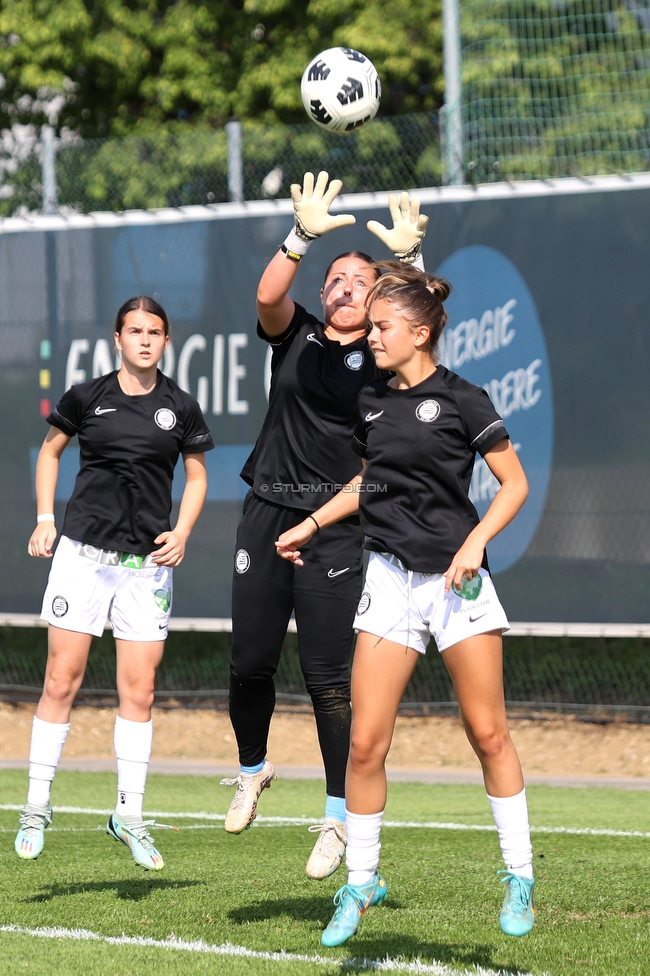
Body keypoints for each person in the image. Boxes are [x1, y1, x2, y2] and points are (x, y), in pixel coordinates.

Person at [276, 262, 535, 944]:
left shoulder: (463, 398)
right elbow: (368, 482)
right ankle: (360, 883)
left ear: (420, 333)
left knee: (488, 734)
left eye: (383, 326)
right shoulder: (374, 402)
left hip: (455, 582)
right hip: (388, 579)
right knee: (365, 742)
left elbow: (513, 484)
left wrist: (476, 543)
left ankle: (520, 877)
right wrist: (311, 522)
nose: (373, 336)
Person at [223, 173, 429, 882]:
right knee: (248, 661)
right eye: (335, 277)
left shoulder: (385, 360)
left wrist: (412, 265)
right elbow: (266, 296)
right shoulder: (298, 337)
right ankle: (252, 769)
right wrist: (303, 236)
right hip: (267, 510)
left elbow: (425, 330)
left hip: (337, 525)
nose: (343, 284)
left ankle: (339, 815)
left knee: (326, 679)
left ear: (378, 300)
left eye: (360, 279)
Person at [15, 296, 214, 870]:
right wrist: (46, 518)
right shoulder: (87, 397)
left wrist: (183, 530)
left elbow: (197, 477)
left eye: (155, 331)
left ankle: (129, 815)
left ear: (166, 341)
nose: (145, 340)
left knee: (141, 691)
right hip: (81, 556)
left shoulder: (181, 406)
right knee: (61, 679)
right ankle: (36, 806)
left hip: (147, 567)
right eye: (135, 331)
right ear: (118, 338)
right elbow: (50, 454)